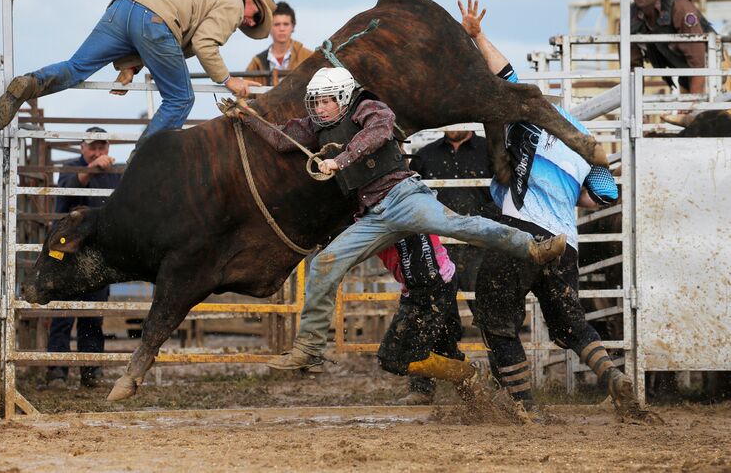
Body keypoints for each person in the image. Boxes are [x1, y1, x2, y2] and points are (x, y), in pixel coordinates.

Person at [224, 65, 568, 373]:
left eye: (326, 101)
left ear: (343, 97)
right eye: (316, 102)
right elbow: (283, 138)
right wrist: (246, 117)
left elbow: (377, 132)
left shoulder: (369, 107)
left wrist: (340, 161)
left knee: (459, 225)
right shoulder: (317, 126)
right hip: (374, 215)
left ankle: (532, 248)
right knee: (325, 263)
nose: (319, 108)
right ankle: (310, 347)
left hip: (403, 197)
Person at [459, 0, 640, 415]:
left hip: (518, 232)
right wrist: (568, 193)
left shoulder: (527, 118)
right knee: (570, 322)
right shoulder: (583, 141)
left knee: (496, 317)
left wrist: (478, 35)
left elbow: (505, 74)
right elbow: (603, 194)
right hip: (564, 241)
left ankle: (523, 405)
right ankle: (612, 375)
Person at [0, 0, 275, 149]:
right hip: (155, 20)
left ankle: (30, 84)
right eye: (256, 16)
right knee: (181, 98)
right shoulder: (233, 3)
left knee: (77, 67)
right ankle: (143, 159)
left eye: (255, 23)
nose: (249, 22)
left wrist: (128, 67)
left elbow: (164, 38)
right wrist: (228, 80)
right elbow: (203, 43)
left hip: (125, 5)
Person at [399, 129, 496, 403]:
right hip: (438, 248)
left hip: (478, 245)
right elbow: (413, 197)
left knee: (490, 313)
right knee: (434, 314)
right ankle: (422, 388)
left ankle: (504, 383)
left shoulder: (489, 150)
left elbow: (500, 194)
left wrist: (481, 222)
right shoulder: (425, 155)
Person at [45, 127, 122, 388]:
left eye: (102, 147)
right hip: (67, 254)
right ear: (82, 148)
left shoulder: (114, 174)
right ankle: (57, 372)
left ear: (108, 149)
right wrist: (92, 168)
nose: (98, 152)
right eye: (93, 147)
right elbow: (67, 194)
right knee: (62, 315)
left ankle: (91, 371)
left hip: (97, 256)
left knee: (93, 316)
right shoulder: (70, 168)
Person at [377, 233, 471, 403]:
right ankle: (472, 389)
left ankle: (469, 384)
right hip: (427, 281)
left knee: (413, 347)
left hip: (435, 280)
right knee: (443, 344)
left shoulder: (396, 211)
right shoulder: (368, 217)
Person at [630, 0, 715, 94]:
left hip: (713, 75)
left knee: (706, 112)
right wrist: (635, 107)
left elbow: (698, 61)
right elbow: (632, 67)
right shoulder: (630, 18)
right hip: (688, 76)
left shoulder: (680, 8)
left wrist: (693, 102)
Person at [246, 2, 313, 86]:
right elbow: (243, 95)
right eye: (277, 24)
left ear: (293, 26)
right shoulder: (257, 63)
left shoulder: (308, 57)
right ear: (269, 27)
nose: (282, 29)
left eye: (286, 24)